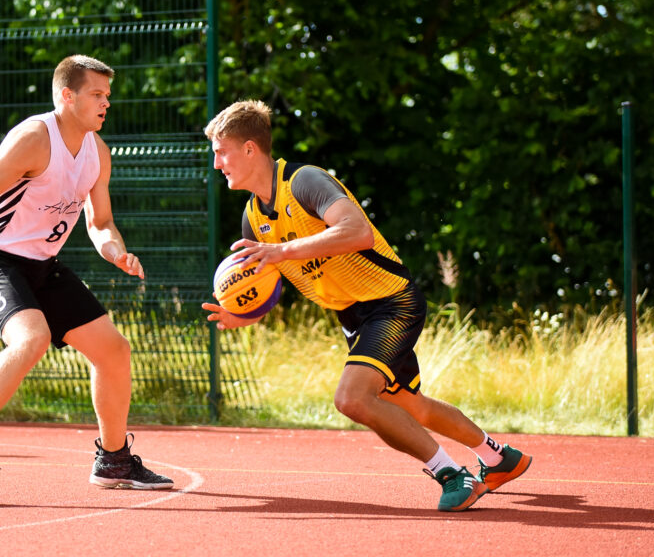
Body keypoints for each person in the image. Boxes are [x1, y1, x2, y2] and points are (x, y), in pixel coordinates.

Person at [202, 100, 532, 512]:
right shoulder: (253, 220)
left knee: (353, 399)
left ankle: (452, 474)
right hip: (355, 316)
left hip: (391, 301)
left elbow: (357, 231)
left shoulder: (304, 182)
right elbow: (271, 282)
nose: (216, 163)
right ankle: (498, 458)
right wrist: (245, 312)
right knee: (410, 406)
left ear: (250, 149)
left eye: (222, 151)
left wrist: (283, 250)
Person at [0, 55, 173, 497]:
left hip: (43, 264)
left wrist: (115, 251)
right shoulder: (34, 139)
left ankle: (114, 459)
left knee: (114, 351)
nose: (106, 103)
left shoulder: (97, 151)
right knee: (32, 338)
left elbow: (100, 222)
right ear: (67, 96)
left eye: (107, 95)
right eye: (97, 94)